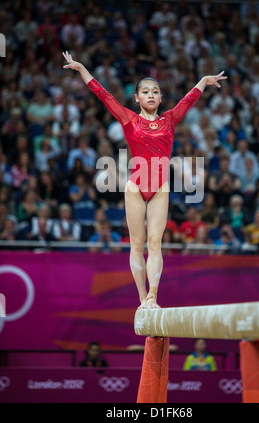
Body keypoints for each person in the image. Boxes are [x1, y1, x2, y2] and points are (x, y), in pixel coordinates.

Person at [62, 50, 227, 309]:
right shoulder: (129, 119)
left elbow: (187, 100)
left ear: (160, 98)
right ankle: (141, 298)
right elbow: (103, 95)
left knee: (155, 243)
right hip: (136, 187)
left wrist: (204, 81)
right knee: (137, 244)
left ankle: (153, 296)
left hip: (160, 188)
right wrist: (82, 68)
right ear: (137, 98)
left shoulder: (170, 119)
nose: (151, 95)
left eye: (155, 91)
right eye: (146, 91)